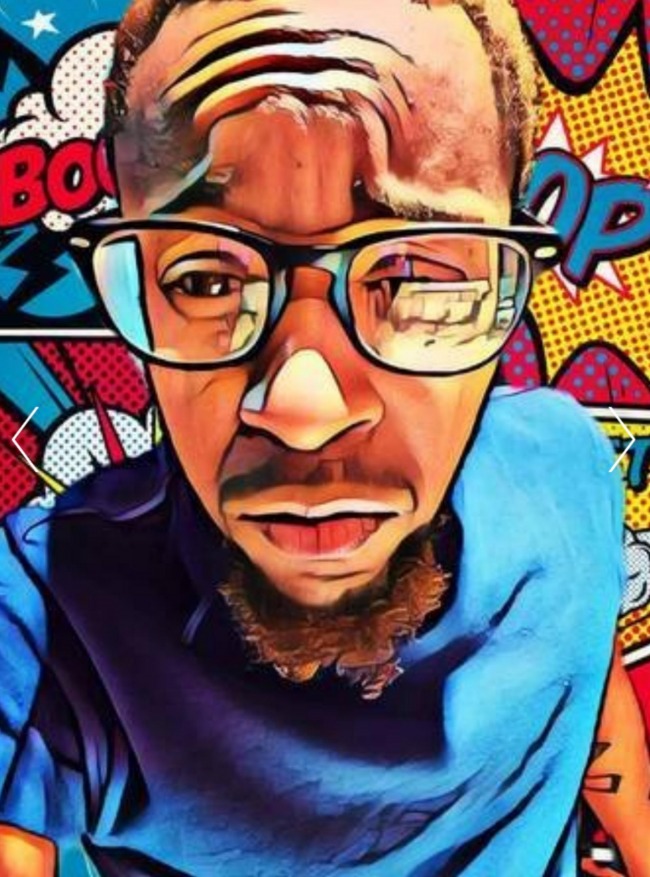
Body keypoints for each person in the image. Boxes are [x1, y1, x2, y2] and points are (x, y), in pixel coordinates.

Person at [0, 0, 649, 875]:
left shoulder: (569, 468)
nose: (305, 409)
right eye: (205, 278)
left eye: (415, 273)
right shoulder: (51, 612)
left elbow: (586, 681)